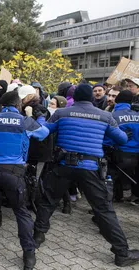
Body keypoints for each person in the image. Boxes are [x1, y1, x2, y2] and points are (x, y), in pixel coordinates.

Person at [34, 84, 139, 267]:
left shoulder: (62, 113)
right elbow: (121, 139)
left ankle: (37, 236)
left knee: (47, 201)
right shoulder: (105, 116)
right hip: (91, 168)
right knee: (104, 210)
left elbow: (42, 133)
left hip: (64, 165)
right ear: (91, 98)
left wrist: (42, 118)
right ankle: (121, 253)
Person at [0, 90, 49, 270]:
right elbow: (44, 133)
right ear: (18, 105)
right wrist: (39, 117)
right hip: (15, 173)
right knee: (21, 212)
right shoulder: (25, 122)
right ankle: (28, 255)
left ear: (1, 106)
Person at [106, 91, 139, 202]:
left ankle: (107, 202)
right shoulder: (137, 115)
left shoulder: (113, 116)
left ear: (117, 100)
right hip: (136, 154)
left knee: (109, 177)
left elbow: (107, 138)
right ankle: (135, 196)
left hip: (119, 153)